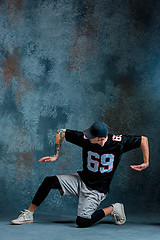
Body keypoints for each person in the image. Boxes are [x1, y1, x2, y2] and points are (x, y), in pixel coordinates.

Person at [11, 122, 149, 227]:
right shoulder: (85, 138)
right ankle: (29, 214)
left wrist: (146, 162)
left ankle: (114, 208)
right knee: (49, 181)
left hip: (96, 190)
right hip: (81, 180)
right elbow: (61, 132)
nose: (87, 138)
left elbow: (143, 139)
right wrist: (55, 155)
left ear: (101, 139)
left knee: (83, 222)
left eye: (92, 137)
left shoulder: (119, 142)